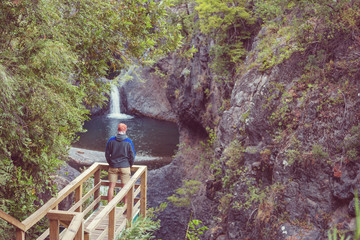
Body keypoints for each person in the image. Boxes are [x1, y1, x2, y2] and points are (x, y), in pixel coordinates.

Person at [105, 123, 135, 204]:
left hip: (113, 166)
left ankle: (109, 208)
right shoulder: (128, 141)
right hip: (125, 167)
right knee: (124, 188)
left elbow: (107, 154)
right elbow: (132, 155)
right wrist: (130, 164)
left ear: (117, 130)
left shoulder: (111, 140)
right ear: (125, 130)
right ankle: (125, 209)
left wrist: (110, 162)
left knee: (111, 187)